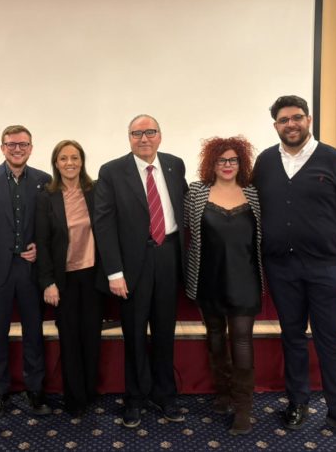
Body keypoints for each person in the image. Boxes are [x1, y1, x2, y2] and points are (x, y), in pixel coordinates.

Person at [252, 95, 336, 447]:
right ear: (275, 125)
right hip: (281, 268)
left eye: (296, 118)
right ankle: (297, 402)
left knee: (331, 340)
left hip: (326, 267)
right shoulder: (265, 162)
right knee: (291, 337)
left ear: (308, 119)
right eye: (283, 120)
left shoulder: (335, 160)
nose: (290, 124)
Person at [93, 114, 188, 428]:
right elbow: (104, 224)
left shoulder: (174, 165)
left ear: (160, 135)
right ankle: (134, 398)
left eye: (150, 132)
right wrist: (114, 272)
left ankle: (165, 394)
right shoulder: (111, 171)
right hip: (133, 264)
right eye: (137, 133)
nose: (144, 138)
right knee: (134, 334)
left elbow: (184, 210)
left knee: (164, 332)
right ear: (129, 137)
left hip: (169, 257)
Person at [184, 136, 263, 435]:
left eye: (233, 160)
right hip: (208, 278)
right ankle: (223, 392)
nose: (228, 165)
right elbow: (184, 228)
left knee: (241, 339)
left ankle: (243, 407)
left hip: (245, 277)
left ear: (241, 163)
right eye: (221, 160)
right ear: (212, 163)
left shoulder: (254, 194)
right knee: (215, 336)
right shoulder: (196, 192)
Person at [0, 125, 52, 420]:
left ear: (31, 148)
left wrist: (40, 249)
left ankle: (35, 390)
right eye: (11, 144)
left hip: (30, 271)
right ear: (2, 147)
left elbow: (51, 226)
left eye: (23, 144)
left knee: (34, 333)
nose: (17, 149)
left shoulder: (45, 181)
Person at [36, 140, 104, 417]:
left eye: (74, 158)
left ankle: (90, 392)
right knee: (70, 339)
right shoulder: (46, 196)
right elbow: (42, 242)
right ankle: (74, 398)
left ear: (82, 161)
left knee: (91, 336)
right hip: (63, 279)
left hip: (93, 275)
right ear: (56, 163)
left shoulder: (95, 191)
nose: (69, 163)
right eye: (63, 158)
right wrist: (48, 282)